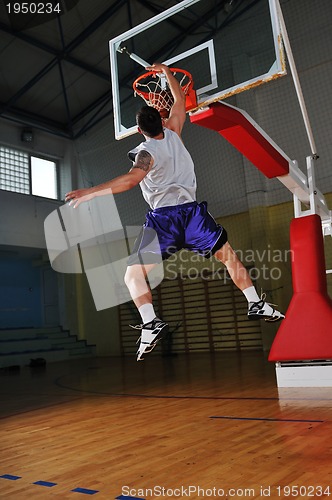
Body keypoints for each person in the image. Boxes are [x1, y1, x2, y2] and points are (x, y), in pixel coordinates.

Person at [65, 63, 285, 361]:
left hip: (164, 221)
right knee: (229, 257)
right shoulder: (175, 131)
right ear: (163, 119)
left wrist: (89, 192)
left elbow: (130, 180)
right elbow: (179, 99)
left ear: (140, 129)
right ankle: (254, 301)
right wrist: (167, 72)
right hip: (193, 216)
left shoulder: (145, 153)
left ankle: (150, 322)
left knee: (133, 277)